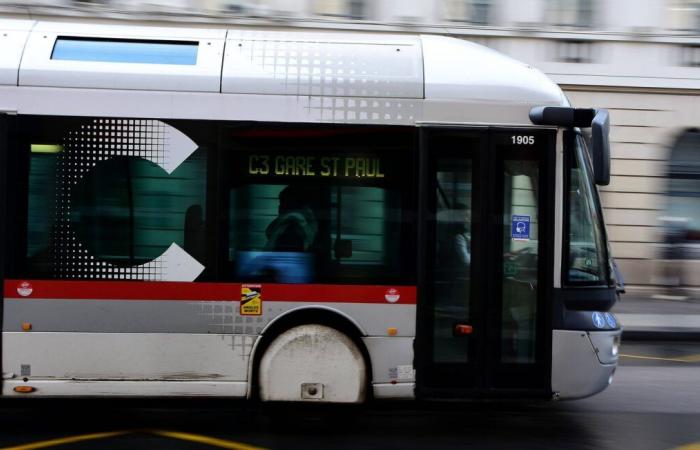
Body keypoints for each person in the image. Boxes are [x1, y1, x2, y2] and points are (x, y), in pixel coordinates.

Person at [265, 185, 318, 252]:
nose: (279, 207)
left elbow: (311, 240)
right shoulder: (281, 222)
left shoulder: (308, 218)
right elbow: (269, 235)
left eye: (282, 204)